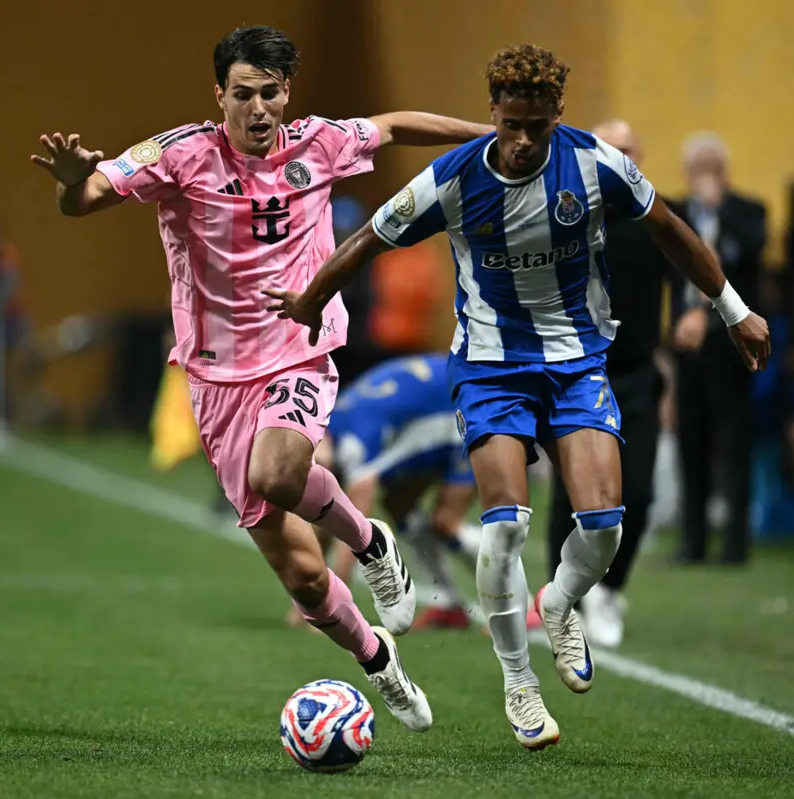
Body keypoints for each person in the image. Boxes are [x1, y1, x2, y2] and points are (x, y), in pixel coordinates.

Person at [266, 43, 770, 750]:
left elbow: (671, 230)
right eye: (511, 124)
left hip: (575, 361)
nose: (525, 140)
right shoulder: (454, 178)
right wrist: (312, 299)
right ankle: (519, 682)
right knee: (504, 525)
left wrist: (733, 309)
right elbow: (369, 238)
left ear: (557, 115)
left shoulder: (594, 165)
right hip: (490, 367)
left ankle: (559, 602)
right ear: (494, 114)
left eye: (538, 124)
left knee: (604, 529)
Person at [29, 25, 491, 733]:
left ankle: (370, 543)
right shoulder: (181, 154)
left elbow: (395, 126)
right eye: (242, 94)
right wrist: (69, 185)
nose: (257, 108)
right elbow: (87, 195)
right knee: (305, 579)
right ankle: (381, 665)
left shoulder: (319, 143)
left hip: (299, 350)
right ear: (219, 94)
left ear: (286, 95)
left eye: (269, 94)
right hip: (216, 380)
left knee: (278, 472)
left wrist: (484, 139)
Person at [543, 119, 674, 649]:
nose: (621, 159)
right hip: (574, 375)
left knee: (637, 494)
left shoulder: (654, 217)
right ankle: (565, 598)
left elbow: (688, 267)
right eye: (611, 149)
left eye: (630, 150)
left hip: (637, 374)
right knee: (568, 497)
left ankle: (611, 589)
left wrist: (694, 315)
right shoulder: (565, 216)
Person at [285, 353, 480, 632]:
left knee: (446, 522)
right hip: (440, 407)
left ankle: (514, 602)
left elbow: (354, 529)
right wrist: (306, 601)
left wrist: (329, 608)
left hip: (469, 410)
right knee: (399, 504)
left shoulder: (356, 441)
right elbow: (327, 514)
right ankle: (449, 606)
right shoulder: (334, 421)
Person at [671, 131, 768, 565]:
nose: (707, 177)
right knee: (690, 446)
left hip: (732, 350)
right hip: (687, 348)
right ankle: (692, 543)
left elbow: (753, 250)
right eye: (700, 169)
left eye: (715, 169)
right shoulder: (671, 213)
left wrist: (717, 211)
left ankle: (735, 546)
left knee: (734, 448)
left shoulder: (748, 212)